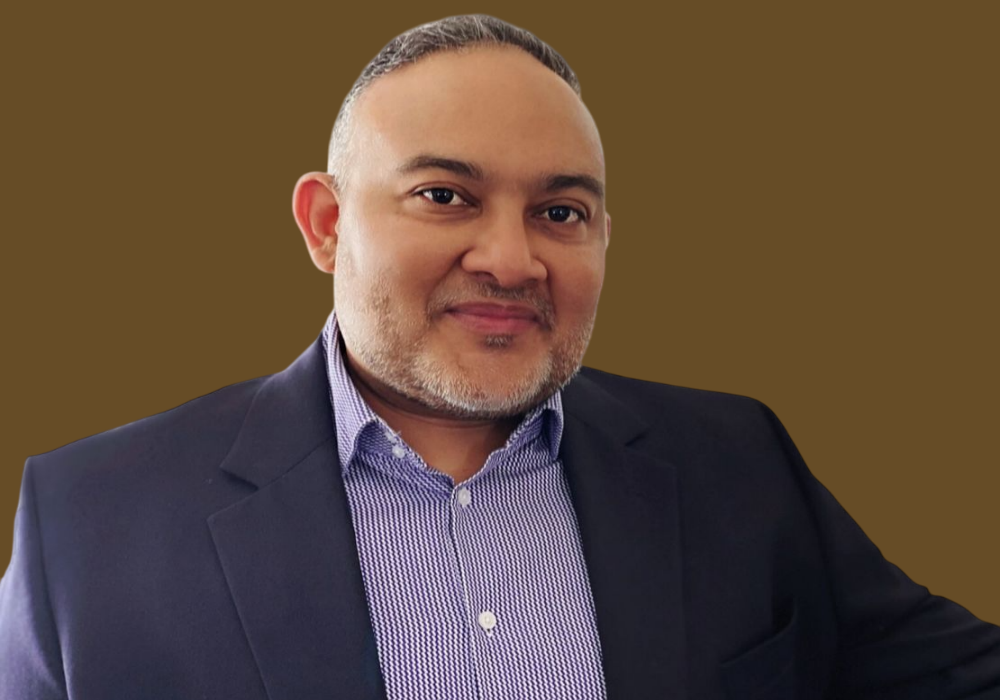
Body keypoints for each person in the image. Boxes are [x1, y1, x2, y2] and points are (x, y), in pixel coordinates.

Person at [1, 13, 998, 700]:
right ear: (326, 224)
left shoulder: (736, 460)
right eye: (445, 196)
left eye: (560, 212)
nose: (512, 260)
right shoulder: (92, 519)